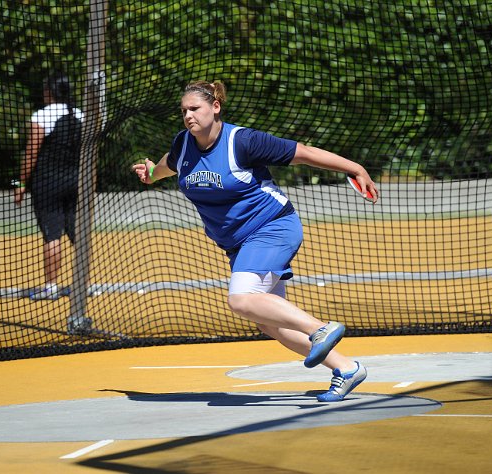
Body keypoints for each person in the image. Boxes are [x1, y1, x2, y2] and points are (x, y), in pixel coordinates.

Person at [132, 81, 379, 402]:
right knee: (267, 322)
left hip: (272, 227)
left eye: (195, 108)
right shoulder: (183, 146)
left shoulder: (242, 141)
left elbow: (303, 154)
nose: (188, 116)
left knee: (241, 300)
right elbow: (166, 167)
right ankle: (346, 368)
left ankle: (321, 328)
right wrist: (151, 174)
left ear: (215, 107)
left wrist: (355, 167)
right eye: (184, 111)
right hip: (239, 244)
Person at [14, 74, 84, 300]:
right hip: (75, 181)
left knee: (52, 235)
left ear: (49, 92)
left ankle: (51, 287)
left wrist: (21, 183)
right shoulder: (80, 115)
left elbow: (31, 152)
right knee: (78, 234)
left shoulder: (43, 116)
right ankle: (82, 284)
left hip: (48, 183)